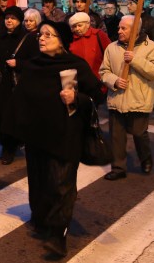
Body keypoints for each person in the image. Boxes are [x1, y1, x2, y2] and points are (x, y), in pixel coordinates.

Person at [9, 20, 105, 258]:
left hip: (65, 137)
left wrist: (76, 98)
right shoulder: (33, 66)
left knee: (61, 186)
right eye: (40, 34)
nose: (41, 38)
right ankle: (41, 220)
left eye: (48, 35)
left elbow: (96, 95)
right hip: (37, 137)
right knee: (39, 182)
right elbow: (21, 99)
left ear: (61, 41)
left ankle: (58, 235)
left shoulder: (75, 66)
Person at [99, 15, 154, 181]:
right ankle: (118, 167)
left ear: (135, 30)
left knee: (139, 133)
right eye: (119, 28)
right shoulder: (112, 47)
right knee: (116, 136)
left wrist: (135, 60)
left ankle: (145, 158)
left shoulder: (152, 47)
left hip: (139, 99)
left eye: (123, 28)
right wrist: (114, 80)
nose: (119, 31)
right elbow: (103, 71)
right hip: (117, 98)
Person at [0, 6, 40, 164]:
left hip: (15, 85)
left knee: (10, 118)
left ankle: (9, 148)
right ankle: (7, 141)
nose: (9, 21)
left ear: (19, 21)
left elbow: (35, 62)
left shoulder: (28, 39)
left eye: (13, 18)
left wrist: (19, 63)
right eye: (7, 18)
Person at [68, 12, 111, 79]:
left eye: (80, 25)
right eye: (74, 26)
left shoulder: (99, 34)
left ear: (87, 24)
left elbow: (110, 54)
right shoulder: (70, 38)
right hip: (78, 79)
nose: (77, 29)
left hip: (98, 78)